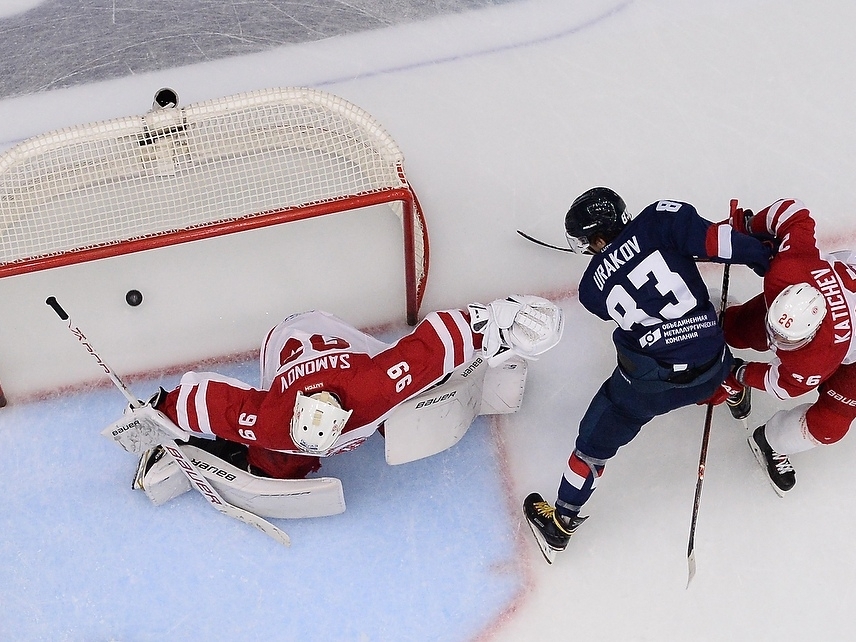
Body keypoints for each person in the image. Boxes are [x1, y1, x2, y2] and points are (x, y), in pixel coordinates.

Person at [115, 296, 563, 508]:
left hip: (329, 335)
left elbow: (429, 348)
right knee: (273, 460)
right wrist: (161, 411)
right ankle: (242, 461)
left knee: (407, 390)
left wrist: (502, 321)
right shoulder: (273, 423)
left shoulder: (370, 390)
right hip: (282, 346)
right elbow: (219, 406)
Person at [523, 187, 773, 563]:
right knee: (709, 357)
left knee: (593, 446)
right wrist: (762, 256)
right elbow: (715, 241)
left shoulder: (590, 289)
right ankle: (732, 390)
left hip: (647, 388)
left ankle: (561, 521)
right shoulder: (660, 218)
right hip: (711, 362)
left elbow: (619, 297)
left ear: (598, 238)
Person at [722, 198, 856, 495]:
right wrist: (746, 226)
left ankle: (771, 443)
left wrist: (737, 374)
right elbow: (792, 213)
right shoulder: (789, 270)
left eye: (787, 341)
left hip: (846, 351)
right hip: (825, 299)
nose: (775, 344)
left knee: (829, 425)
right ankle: (732, 324)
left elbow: (783, 384)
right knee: (737, 330)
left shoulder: (816, 359)